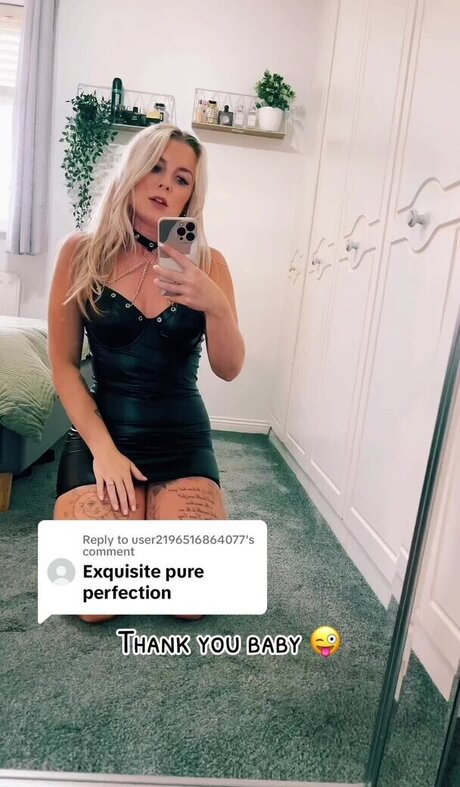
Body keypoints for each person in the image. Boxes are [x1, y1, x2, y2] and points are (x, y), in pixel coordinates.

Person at [48, 124, 245, 624]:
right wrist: (104, 451)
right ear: (133, 171)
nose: (164, 184)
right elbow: (64, 367)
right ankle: (134, 520)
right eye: (155, 167)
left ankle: (149, 521)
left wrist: (215, 305)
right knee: (92, 604)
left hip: (182, 442)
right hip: (104, 437)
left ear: (190, 196)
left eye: (181, 178)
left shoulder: (209, 264)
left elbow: (228, 368)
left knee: (191, 604)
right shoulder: (81, 253)